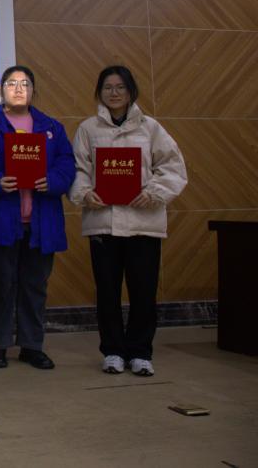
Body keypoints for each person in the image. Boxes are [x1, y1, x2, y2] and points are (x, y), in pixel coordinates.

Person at [69, 66, 187, 377]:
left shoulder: (151, 128)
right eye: (108, 87)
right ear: (99, 92)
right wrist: (84, 193)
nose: (114, 93)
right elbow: (78, 169)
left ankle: (140, 352)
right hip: (103, 222)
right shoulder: (88, 129)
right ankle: (112, 351)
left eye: (120, 87)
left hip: (143, 222)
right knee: (107, 292)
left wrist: (155, 192)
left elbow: (173, 167)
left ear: (131, 90)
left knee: (143, 291)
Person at [0, 65, 75, 370]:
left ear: (33, 90)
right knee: (0, 286)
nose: (18, 89)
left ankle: (32, 345)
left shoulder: (50, 127)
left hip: (41, 221)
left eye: (25, 84)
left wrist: (52, 181)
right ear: (1, 89)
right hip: (1, 219)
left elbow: (67, 164)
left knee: (35, 286)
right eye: (11, 83)